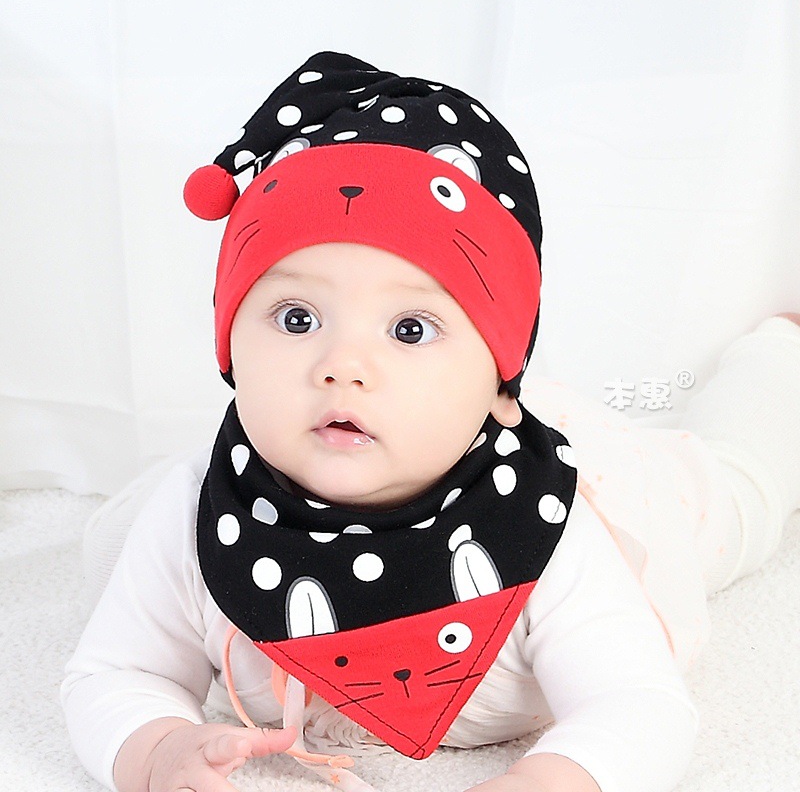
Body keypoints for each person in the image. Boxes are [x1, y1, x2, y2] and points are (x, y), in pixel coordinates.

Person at [61, 50, 800, 792]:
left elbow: (638, 702)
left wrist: (549, 781)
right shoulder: (197, 513)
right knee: (116, 544)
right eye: (297, 318)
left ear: (500, 383)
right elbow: (118, 673)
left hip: (614, 479)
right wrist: (155, 748)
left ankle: (779, 353)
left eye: (410, 329)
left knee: (741, 489)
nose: (343, 365)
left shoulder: (546, 524)